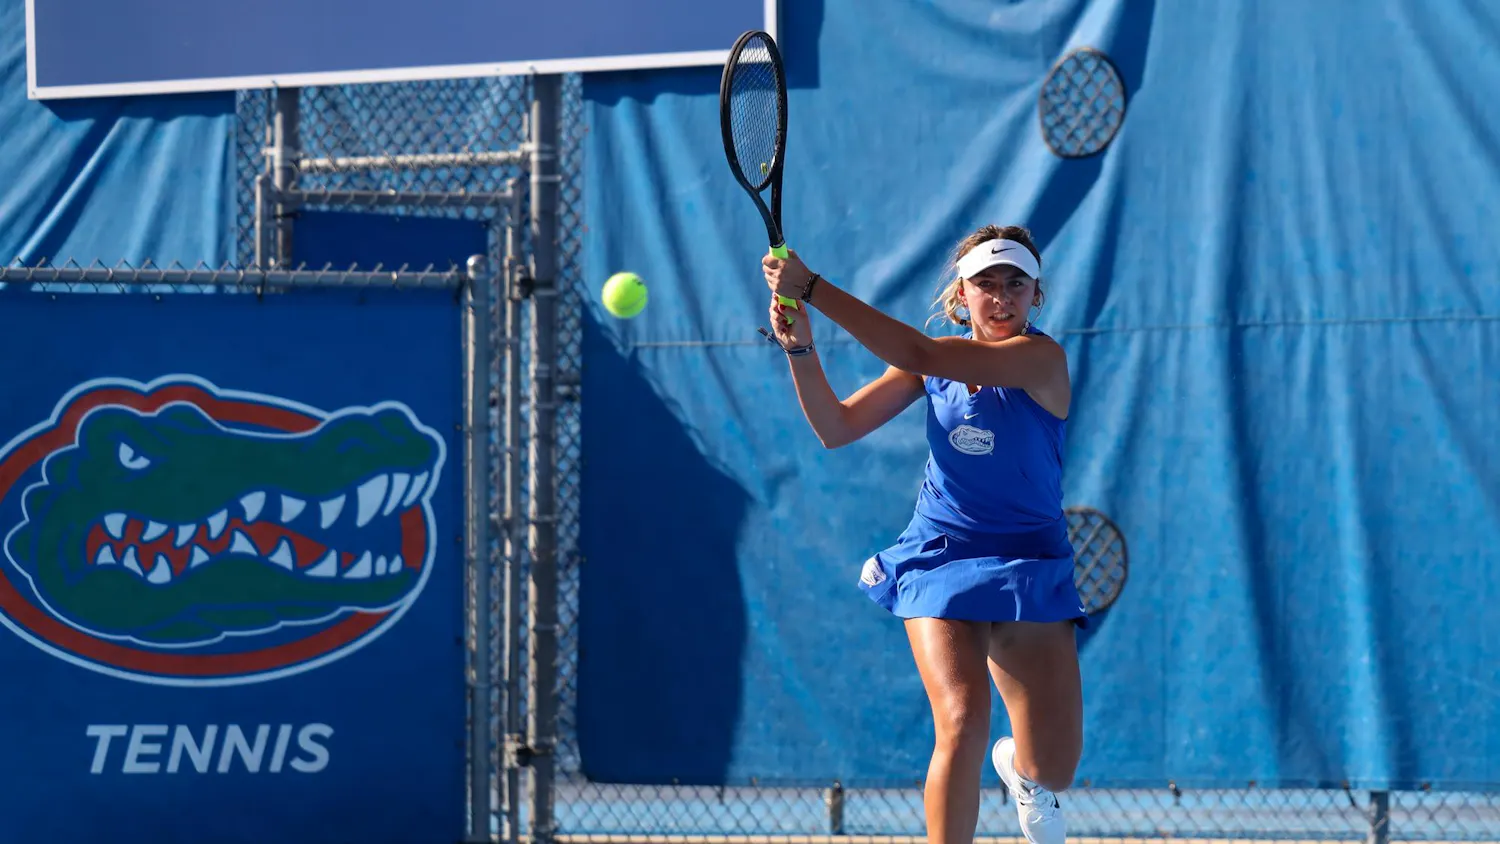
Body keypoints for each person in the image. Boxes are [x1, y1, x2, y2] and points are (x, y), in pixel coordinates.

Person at [758, 224, 1085, 844]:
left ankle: (1023, 772)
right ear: (961, 297)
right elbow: (836, 426)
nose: (1001, 296)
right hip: (941, 555)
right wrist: (802, 350)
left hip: (1029, 561)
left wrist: (814, 289)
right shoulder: (930, 364)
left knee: (1057, 766)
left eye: (1016, 283)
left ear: (1035, 295)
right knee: (961, 720)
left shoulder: (1042, 359)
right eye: (985, 284)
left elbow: (925, 355)